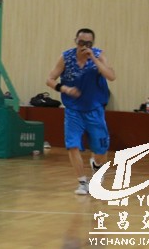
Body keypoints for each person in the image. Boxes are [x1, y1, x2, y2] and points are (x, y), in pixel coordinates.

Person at [46, 28, 116, 195]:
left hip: (94, 109)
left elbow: (111, 76)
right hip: (73, 110)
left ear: (92, 44)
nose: (84, 46)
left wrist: (94, 59)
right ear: (76, 41)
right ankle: (83, 182)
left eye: (88, 43)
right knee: (73, 145)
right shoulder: (66, 57)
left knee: (101, 150)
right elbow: (50, 79)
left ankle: (96, 165)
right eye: (81, 42)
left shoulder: (98, 55)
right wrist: (64, 89)